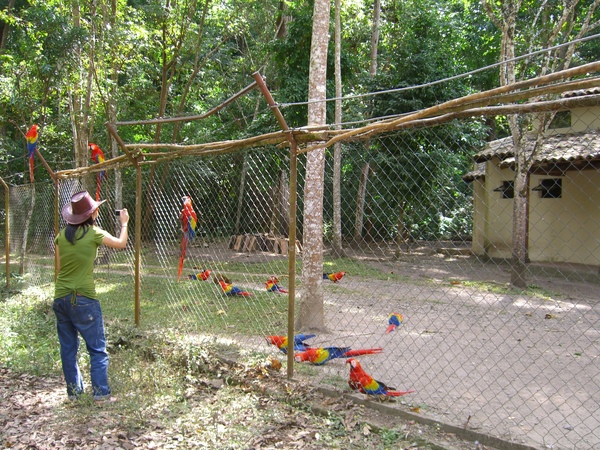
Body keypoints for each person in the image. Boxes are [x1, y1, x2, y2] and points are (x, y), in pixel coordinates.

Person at [53, 190, 129, 402]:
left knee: (68, 349)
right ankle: (101, 393)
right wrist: (124, 222)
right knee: (97, 348)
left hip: (60, 298)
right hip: (83, 297)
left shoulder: (61, 237)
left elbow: (58, 271)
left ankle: (74, 394)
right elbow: (121, 244)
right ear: (92, 213)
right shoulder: (94, 233)